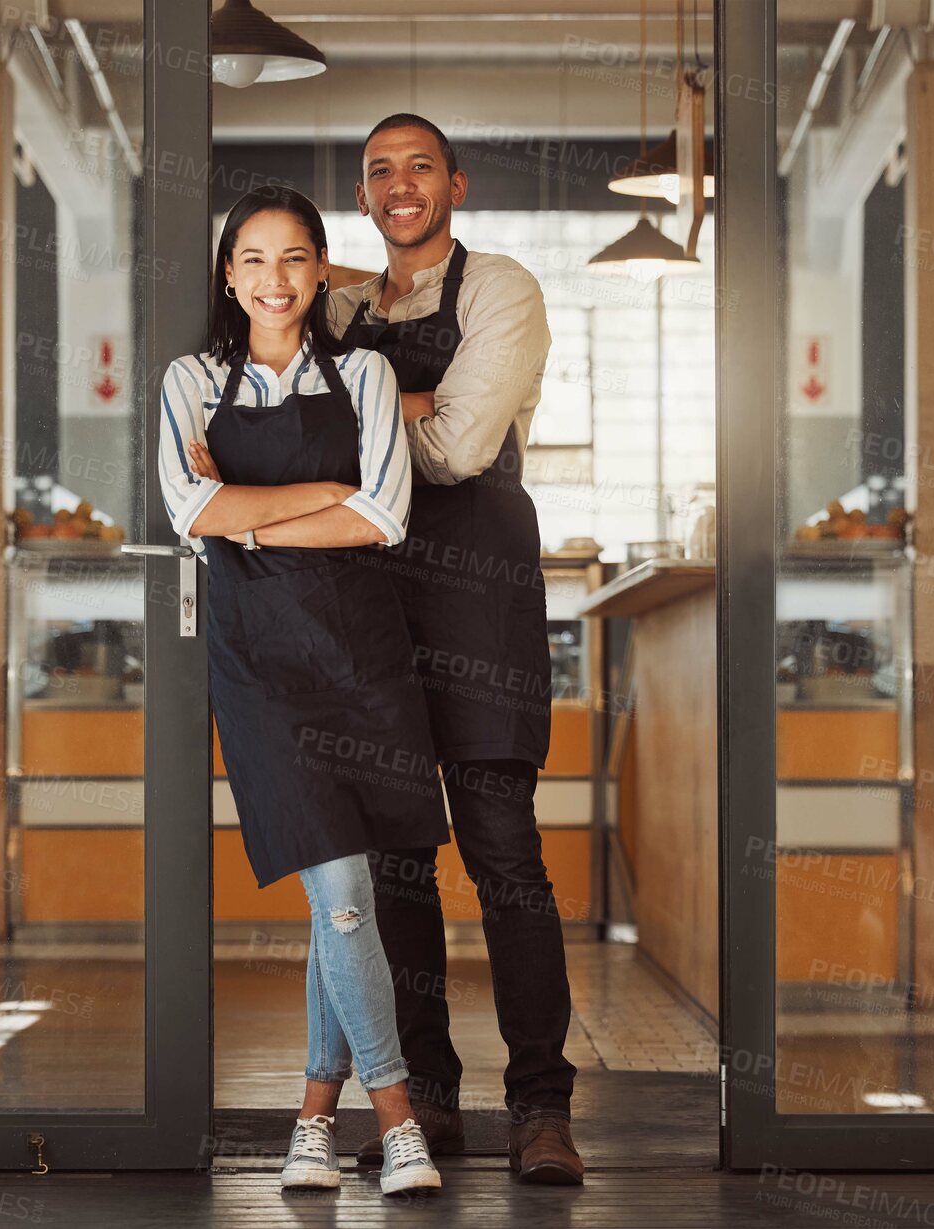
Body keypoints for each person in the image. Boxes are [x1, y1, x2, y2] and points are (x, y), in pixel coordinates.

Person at [158, 184, 446, 1197]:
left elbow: (384, 518)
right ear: (226, 275)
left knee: (347, 902)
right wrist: (315, 495)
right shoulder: (190, 382)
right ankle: (399, 1117)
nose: (273, 279)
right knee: (343, 897)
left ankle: (315, 1121)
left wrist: (248, 518)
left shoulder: (363, 370)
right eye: (252, 259)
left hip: (363, 663)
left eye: (293, 259)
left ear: (321, 270)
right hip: (262, 670)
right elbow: (189, 506)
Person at [330, 115, 584, 1184]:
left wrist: (350, 414)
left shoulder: (502, 290)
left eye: (418, 167)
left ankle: (540, 1108)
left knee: (504, 860)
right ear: (363, 193)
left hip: (480, 608)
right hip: (369, 608)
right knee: (395, 864)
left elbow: (460, 446)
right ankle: (426, 1101)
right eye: (380, 170)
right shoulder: (342, 305)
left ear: (454, 184)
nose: (401, 185)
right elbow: (270, 400)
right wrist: (396, 403)